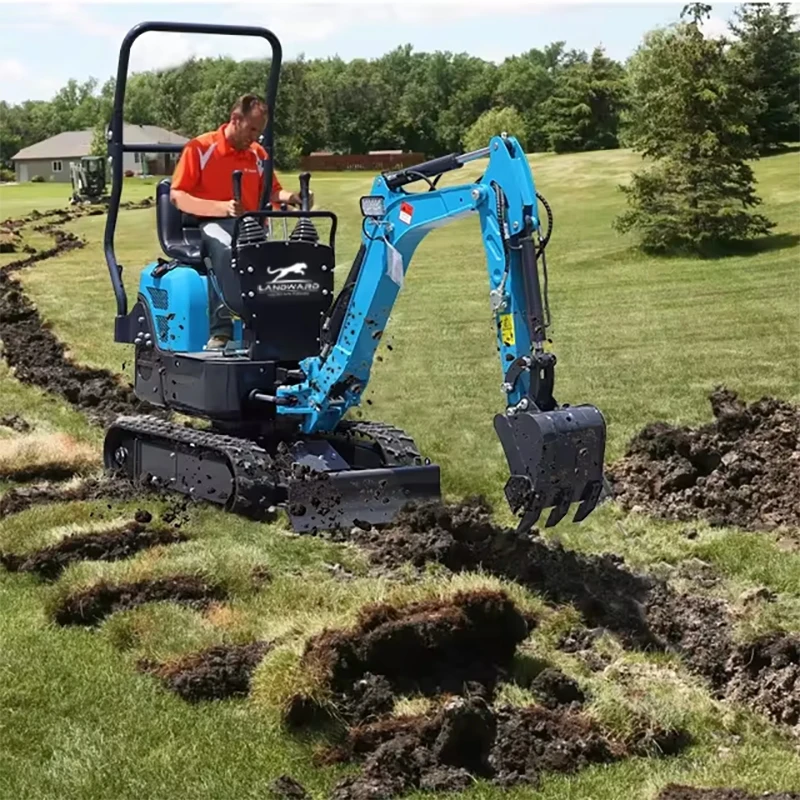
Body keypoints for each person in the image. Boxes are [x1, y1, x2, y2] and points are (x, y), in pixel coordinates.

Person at [169, 93, 311, 349]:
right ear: (236, 119)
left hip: (249, 225)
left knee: (281, 253)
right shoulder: (200, 148)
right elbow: (177, 196)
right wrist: (221, 207)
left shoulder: (257, 154)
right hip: (209, 222)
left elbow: (271, 190)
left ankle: (272, 322)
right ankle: (220, 331)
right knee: (227, 246)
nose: (255, 137)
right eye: (252, 129)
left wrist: (293, 197)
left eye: (259, 131)